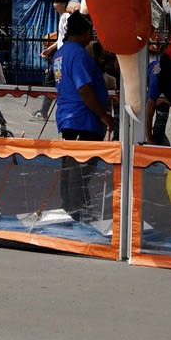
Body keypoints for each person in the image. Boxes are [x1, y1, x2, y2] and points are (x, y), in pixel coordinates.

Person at [54, 14, 111, 218]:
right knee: (81, 171)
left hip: (70, 118)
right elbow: (84, 88)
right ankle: (77, 211)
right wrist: (104, 115)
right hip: (83, 119)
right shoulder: (78, 55)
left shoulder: (60, 53)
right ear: (86, 33)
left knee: (71, 169)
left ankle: (73, 208)